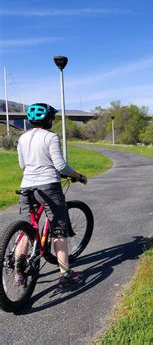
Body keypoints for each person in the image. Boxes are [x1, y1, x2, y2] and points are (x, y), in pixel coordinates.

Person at [16, 103, 88, 289]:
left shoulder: (23, 138)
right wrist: (78, 176)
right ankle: (65, 275)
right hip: (48, 186)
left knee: (27, 229)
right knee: (58, 230)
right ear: (48, 119)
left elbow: (23, 165)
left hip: (26, 186)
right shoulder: (51, 137)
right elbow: (61, 166)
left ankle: (18, 273)